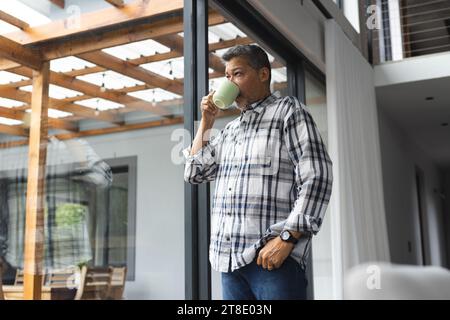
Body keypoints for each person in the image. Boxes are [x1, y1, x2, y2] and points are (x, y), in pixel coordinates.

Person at [183, 45, 333, 300]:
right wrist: (207, 122)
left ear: (263, 74)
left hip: (272, 261)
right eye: (227, 76)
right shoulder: (231, 130)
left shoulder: (288, 112)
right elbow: (194, 172)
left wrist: (287, 238)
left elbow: (317, 176)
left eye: (238, 73)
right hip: (228, 263)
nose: (230, 82)